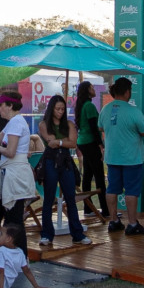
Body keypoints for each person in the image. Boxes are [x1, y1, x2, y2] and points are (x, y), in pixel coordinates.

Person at [0, 94, 40, 252]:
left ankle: (19, 255)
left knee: (14, 220)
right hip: (11, 173)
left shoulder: (16, 123)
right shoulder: (12, 123)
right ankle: (12, 254)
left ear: (10, 106)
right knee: (10, 218)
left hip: (15, 174)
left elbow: (10, 151)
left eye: (1, 105)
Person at [36, 94, 90, 247]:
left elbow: (72, 143)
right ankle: (46, 234)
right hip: (51, 160)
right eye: (57, 109)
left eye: (62, 109)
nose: (60, 111)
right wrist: (61, 142)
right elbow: (50, 141)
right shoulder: (44, 124)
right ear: (51, 108)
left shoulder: (70, 124)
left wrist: (59, 142)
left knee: (70, 198)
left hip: (65, 161)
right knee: (48, 198)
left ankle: (77, 234)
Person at [101, 78, 144, 235]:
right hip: (131, 158)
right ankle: (133, 223)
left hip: (112, 156)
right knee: (131, 191)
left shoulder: (105, 110)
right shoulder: (134, 111)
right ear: (128, 92)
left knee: (112, 188)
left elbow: (101, 126)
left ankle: (113, 221)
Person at [73, 81, 107, 218]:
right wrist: (101, 144)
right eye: (92, 88)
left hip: (83, 142)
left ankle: (88, 208)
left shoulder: (81, 105)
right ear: (87, 90)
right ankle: (106, 209)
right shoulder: (90, 106)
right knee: (99, 176)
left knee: (87, 175)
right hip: (90, 143)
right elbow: (94, 127)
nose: (94, 90)